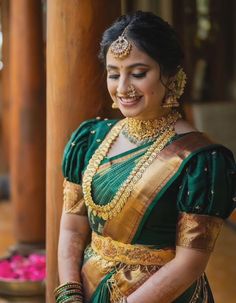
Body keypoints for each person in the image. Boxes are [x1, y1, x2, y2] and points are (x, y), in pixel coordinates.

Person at [54, 11, 236, 303]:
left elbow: (190, 263)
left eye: (138, 73)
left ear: (171, 75)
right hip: (87, 289)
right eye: (114, 73)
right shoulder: (90, 138)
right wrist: (69, 293)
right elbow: (72, 227)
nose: (123, 87)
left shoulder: (199, 160)